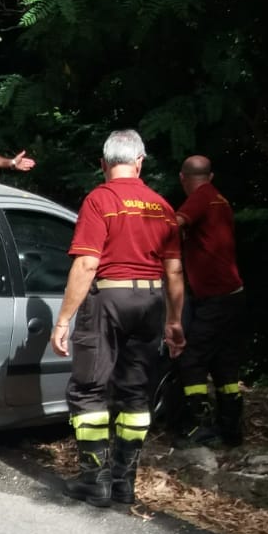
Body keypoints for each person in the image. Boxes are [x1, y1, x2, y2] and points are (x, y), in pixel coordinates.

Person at [50, 129, 185, 507]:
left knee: (89, 388)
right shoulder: (163, 207)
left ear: (103, 163)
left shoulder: (100, 199)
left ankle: (96, 480)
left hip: (108, 298)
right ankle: (125, 483)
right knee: (135, 392)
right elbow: (174, 271)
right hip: (151, 300)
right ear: (140, 162)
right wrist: (174, 321)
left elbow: (88, 262)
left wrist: (63, 321)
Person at [174, 154, 246, 447]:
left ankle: (199, 427)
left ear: (183, 178)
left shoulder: (202, 197)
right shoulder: (219, 198)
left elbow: (175, 223)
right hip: (233, 294)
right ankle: (231, 430)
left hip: (215, 298)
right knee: (224, 366)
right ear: (211, 176)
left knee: (192, 361)